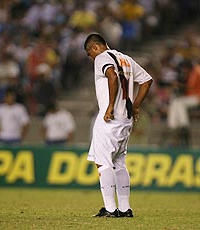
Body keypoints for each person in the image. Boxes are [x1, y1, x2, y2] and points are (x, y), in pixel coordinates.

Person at [84, 33, 152, 217]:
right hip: (126, 119)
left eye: (90, 54)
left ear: (95, 47)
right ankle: (124, 208)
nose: (92, 58)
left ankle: (110, 209)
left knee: (103, 163)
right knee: (119, 163)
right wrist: (135, 106)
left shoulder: (101, 58)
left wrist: (110, 107)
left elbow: (112, 77)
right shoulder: (126, 58)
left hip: (110, 118)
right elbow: (146, 81)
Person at [167, 60, 200, 147]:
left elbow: (190, 86)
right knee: (175, 101)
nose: (184, 70)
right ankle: (174, 124)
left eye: (185, 68)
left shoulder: (197, 70)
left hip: (197, 97)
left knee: (179, 102)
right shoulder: (192, 72)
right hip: (191, 97)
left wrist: (179, 85)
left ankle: (183, 124)